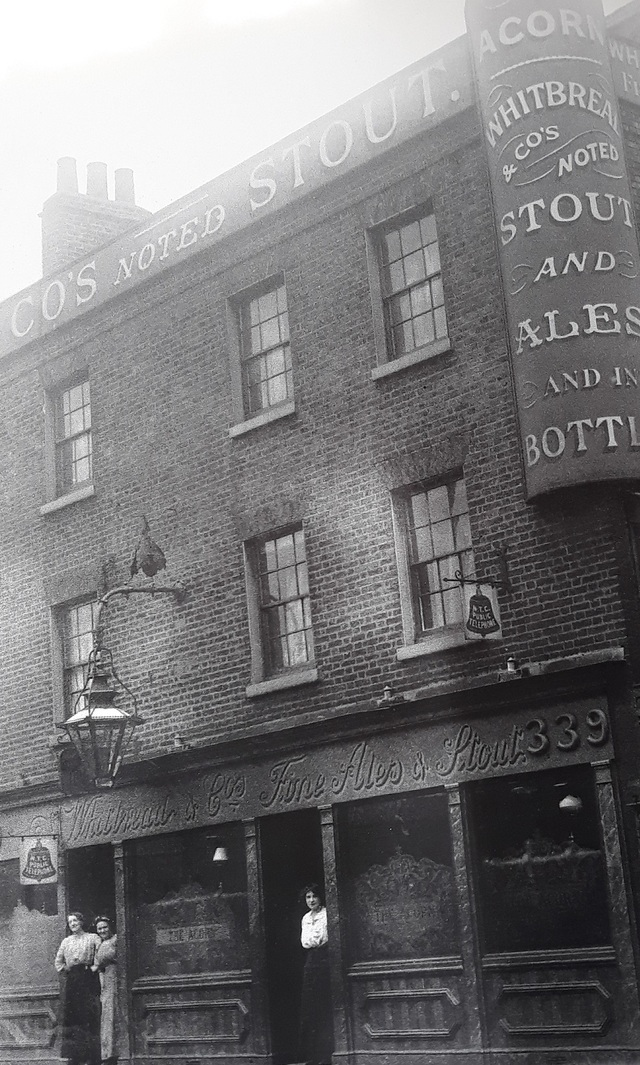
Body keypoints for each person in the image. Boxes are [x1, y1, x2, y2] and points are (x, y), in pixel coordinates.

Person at [54, 911, 101, 1065]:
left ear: (81, 921)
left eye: (75, 921)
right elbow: (58, 962)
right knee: (74, 1018)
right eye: (70, 922)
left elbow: (101, 955)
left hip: (88, 978)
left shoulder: (92, 938)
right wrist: (68, 970)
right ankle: (76, 1056)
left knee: (89, 1016)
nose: (73, 924)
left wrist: (94, 967)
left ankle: (91, 1056)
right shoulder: (66, 941)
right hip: (73, 981)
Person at [298, 883, 333, 1065]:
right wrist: (313, 941)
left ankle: (325, 1056)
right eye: (308, 897)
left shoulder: (327, 914)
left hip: (324, 959)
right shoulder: (305, 918)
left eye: (314, 897)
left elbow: (321, 939)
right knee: (309, 1008)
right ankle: (312, 1056)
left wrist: (314, 940)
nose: (311, 900)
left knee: (323, 1006)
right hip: (310, 961)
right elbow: (305, 941)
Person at [92, 917, 118, 1065]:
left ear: (110, 927)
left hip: (118, 979)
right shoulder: (100, 945)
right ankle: (108, 1054)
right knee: (107, 1015)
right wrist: (102, 987)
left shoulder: (116, 940)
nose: (102, 931)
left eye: (104, 927)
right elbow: (100, 968)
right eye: (99, 929)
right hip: (107, 982)